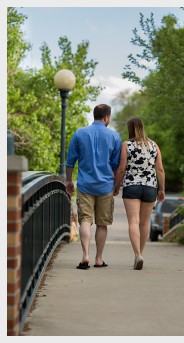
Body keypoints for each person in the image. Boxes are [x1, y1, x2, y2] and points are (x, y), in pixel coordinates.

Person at [65, 104, 122, 270]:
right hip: (105, 186)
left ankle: (85, 256)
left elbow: (70, 161)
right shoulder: (114, 136)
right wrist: (116, 185)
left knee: (85, 220)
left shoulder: (79, 133)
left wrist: (68, 181)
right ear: (106, 118)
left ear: (95, 115)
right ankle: (98, 258)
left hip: (85, 185)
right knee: (102, 223)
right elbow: (116, 165)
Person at [113, 118, 165, 270]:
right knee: (144, 223)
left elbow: (122, 168)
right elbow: (160, 169)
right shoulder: (154, 145)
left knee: (133, 222)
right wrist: (162, 189)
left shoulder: (126, 145)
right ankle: (140, 253)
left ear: (130, 129)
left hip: (132, 185)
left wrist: (116, 186)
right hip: (150, 187)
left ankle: (137, 255)